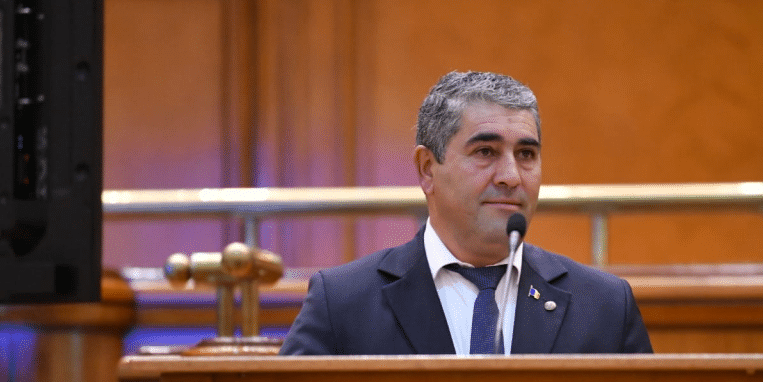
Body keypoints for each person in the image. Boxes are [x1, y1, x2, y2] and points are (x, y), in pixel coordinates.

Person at [279, 71, 652, 355]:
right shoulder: (343, 303)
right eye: (485, 152)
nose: (511, 176)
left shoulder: (603, 306)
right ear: (428, 169)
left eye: (526, 154)